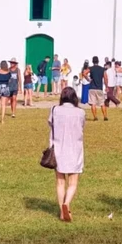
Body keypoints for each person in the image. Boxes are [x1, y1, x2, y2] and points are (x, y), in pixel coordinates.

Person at [48, 86, 85, 223]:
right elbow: (82, 127)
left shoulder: (54, 110)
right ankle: (67, 203)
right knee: (73, 182)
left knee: (60, 182)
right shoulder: (80, 112)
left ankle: (61, 211)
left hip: (58, 149)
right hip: (75, 149)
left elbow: (50, 125)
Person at [88, 56, 108, 121]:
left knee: (93, 103)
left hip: (92, 88)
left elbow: (84, 73)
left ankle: (95, 117)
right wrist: (106, 86)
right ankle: (105, 116)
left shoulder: (90, 68)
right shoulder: (102, 69)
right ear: (98, 61)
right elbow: (105, 78)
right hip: (99, 88)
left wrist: (88, 79)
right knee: (102, 103)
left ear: (92, 61)